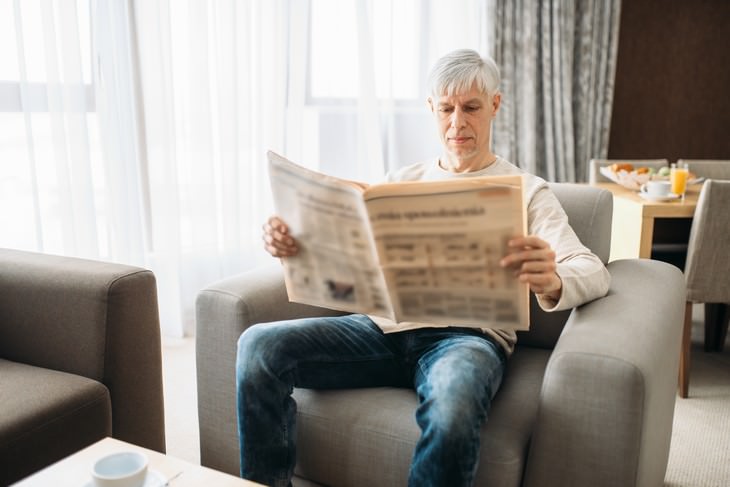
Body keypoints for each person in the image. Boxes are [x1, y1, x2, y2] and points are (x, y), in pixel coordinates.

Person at [237, 49, 611, 487]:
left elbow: (592, 268)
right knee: (258, 345)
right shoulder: (399, 182)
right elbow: (344, 260)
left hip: (466, 340)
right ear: (431, 109)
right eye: (446, 109)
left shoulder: (527, 192)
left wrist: (551, 278)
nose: (458, 123)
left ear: (494, 105)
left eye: (471, 107)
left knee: (453, 410)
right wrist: (289, 246)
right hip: (382, 330)